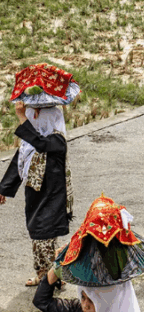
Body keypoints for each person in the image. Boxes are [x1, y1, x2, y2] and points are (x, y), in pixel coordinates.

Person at [34, 195, 144, 312]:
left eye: (92, 300)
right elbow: (42, 301)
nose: (85, 306)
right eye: (83, 297)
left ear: (110, 300)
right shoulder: (78, 309)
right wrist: (58, 267)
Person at [0, 102, 72, 286]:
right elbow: (19, 162)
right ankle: (43, 275)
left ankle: (52, 281)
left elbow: (40, 143)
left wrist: (21, 117)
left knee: (44, 238)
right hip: (35, 196)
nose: (35, 119)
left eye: (39, 115)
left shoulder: (57, 141)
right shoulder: (29, 144)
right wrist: (3, 189)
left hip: (51, 199)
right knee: (37, 236)